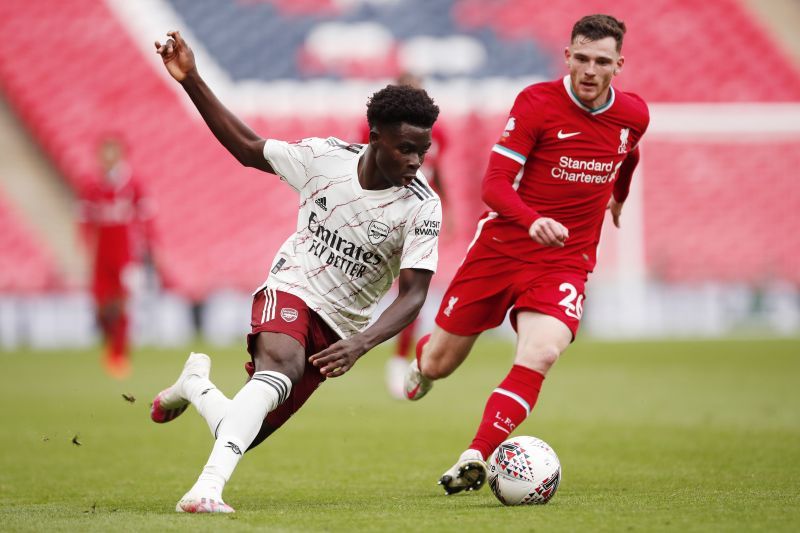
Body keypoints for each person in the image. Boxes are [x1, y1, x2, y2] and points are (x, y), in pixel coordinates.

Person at [149, 31, 442, 513]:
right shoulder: (323, 159)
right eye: (405, 148)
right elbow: (246, 147)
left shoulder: (422, 207)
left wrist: (361, 343)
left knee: (240, 428)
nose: (414, 161)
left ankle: (195, 385)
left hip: (338, 330)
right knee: (280, 368)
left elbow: (413, 296)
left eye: (422, 151)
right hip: (291, 286)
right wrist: (192, 79)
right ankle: (205, 491)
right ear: (375, 136)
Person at [404, 14, 650, 495]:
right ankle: (423, 356)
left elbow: (630, 153)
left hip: (565, 259)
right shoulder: (537, 103)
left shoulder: (634, 114)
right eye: (581, 58)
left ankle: (475, 454)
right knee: (438, 365)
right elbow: (493, 185)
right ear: (567, 57)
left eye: (602, 61)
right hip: (502, 247)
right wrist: (532, 219)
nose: (590, 70)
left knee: (543, 351)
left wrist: (619, 196)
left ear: (619, 65)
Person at [358, 72, 450, 399]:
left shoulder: (438, 133)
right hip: (385, 214)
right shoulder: (378, 129)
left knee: (413, 290)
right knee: (371, 282)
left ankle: (400, 360)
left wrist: (447, 208)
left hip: (418, 215)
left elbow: (437, 173)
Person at [78, 135, 155, 379]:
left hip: (125, 255)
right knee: (101, 304)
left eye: (112, 152)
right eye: (104, 153)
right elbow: (85, 221)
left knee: (122, 305)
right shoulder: (92, 186)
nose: (107, 158)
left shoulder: (133, 184)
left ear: (120, 155)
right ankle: (111, 345)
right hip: (102, 254)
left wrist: (149, 248)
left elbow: (147, 220)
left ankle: (119, 355)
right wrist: (85, 246)